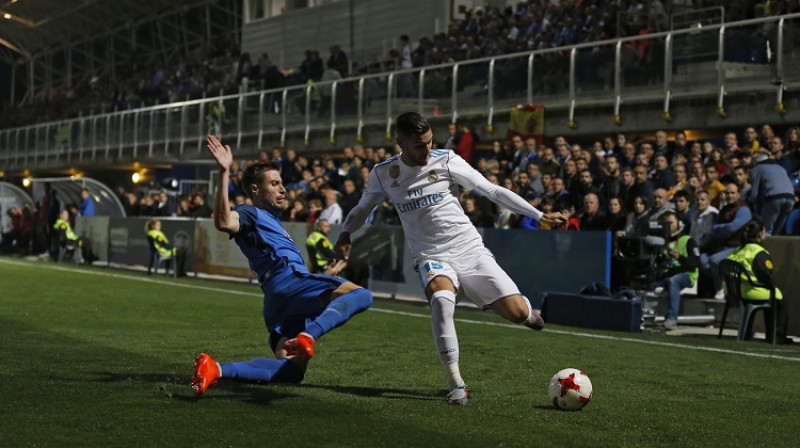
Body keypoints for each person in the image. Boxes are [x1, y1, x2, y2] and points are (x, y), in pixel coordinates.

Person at [334, 112, 565, 406]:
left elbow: (491, 190)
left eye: (431, 142)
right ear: (400, 143)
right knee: (442, 302)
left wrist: (539, 215)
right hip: (431, 254)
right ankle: (456, 384)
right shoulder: (383, 173)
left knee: (517, 313)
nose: (427, 149)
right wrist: (344, 234)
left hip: (468, 247)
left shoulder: (446, 160)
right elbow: (362, 207)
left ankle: (528, 314)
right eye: (419, 145)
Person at [191, 135, 373, 396]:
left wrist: (324, 275)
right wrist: (223, 172)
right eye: (274, 184)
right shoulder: (249, 213)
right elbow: (222, 221)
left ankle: (216, 369)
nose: (283, 189)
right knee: (362, 295)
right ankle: (309, 336)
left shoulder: (272, 222)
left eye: (282, 183)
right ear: (255, 189)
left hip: (279, 300)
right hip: (288, 283)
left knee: (291, 371)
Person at [725, 218, 793, 344]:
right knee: (778, 299)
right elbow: (767, 276)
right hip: (752, 292)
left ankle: (748, 334)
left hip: (735, 292)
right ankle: (776, 336)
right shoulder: (759, 252)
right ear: (760, 233)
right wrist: (772, 284)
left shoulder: (738, 250)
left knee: (772, 296)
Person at [651, 211, 700, 330]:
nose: (668, 226)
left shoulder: (688, 240)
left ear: (680, 223)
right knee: (648, 283)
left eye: (671, 223)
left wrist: (680, 258)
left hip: (687, 275)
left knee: (674, 281)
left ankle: (672, 318)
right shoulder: (664, 243)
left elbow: (696, 262)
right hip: (668, 275)